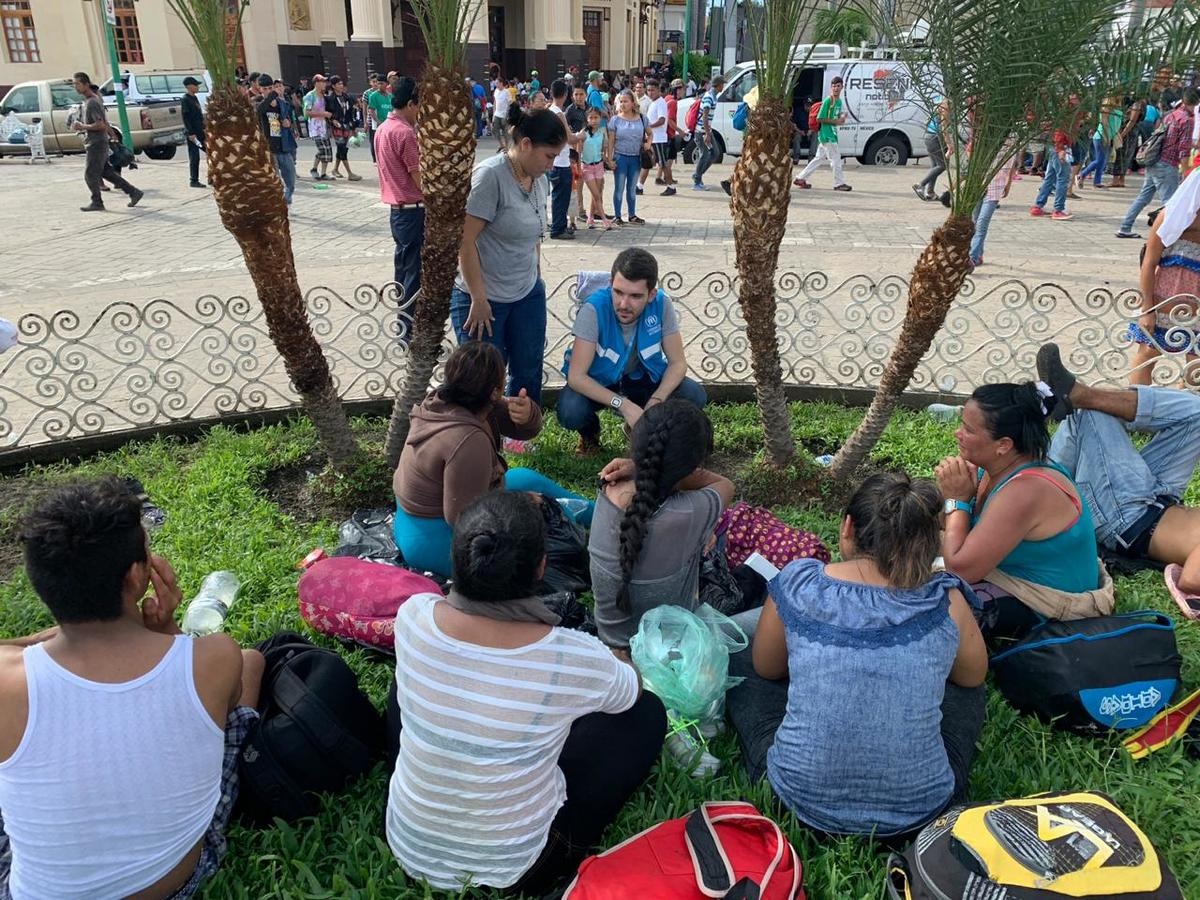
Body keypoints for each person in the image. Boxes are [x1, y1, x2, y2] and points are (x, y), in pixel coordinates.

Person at [386, 491, 665, 894]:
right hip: (516, 869)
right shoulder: (568, 655)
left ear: (456, 557)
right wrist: (618, 659)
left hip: (408, 846)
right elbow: (631, 691)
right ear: (542, 568)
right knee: (647, 714)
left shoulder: (414, 615)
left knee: (409, 683)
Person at [0, 477, 263, 898]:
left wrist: (53, 631)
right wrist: (168, 632)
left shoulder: (6, 679)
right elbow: (224, 708)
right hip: (173, 884)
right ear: (137, 576)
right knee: (251, 663)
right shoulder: (214, 657)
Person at [725, 473, 987, 839]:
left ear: (847, 527)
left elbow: (767, 669)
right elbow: (973, 678)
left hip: (795, 801)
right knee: (968, 690)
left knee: (741, 662)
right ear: (930, 541)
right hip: (923, 811)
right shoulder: (944, 599)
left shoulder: (800, 582)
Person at [392, 342, 589, 576]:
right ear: (494, 390)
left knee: (525, 478)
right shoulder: (465, 440)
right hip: (432, 536)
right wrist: (518, 503)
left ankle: (606, 514)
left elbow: (525, 430)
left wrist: (527, 416)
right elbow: (463, 518)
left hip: (446, 508)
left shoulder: (456, 399)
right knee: (537, 563)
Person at [935, 382, 1108, 638]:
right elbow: (944, 527)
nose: (957, 433)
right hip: (1008, 578)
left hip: (1050, 605)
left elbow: (960, 571)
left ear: (1004, 445)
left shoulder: (1026, 490)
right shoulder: (996, 466)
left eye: (968, 430)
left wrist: (957, 500)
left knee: (935, 610)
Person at [1037, 343, 1200, 611]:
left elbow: (1192, 579)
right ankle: (1076, 395)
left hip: (1130, 519)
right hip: (1164, 496)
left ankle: (1041, 490)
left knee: (1092, 416)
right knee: (1196, 413)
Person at [588, 400, 735, 648]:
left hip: (609, 641)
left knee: (705, 532)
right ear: (693, 467)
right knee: (715, 533)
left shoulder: (608, 489)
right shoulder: (689, 511)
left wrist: (641, 466)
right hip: (670, 649)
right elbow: (726, 485)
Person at [453, 105, 564, 404]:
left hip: (526, 293)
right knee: (482, 377)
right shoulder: (490, 178)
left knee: (528, 368)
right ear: (525, 144)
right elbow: (465, 242)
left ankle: (520, 434)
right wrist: (478, 298)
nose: (552, 165)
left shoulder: (539, 179)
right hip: (484, 300)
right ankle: (484, 439)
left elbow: (535, 232)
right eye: (549, 156)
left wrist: (536, 274)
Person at [559, 248, 708, 453]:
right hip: (601, 383)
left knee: (694, 395)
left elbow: (678, 363)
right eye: (618, 292)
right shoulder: (593, 309)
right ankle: (590, 434)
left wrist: (657, 399)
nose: (623, 304)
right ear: (610, 284)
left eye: (635, 296)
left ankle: (638, 426)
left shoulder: (661, 304)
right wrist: (623, 404)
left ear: (651, 294)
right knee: (570, 411)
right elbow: (576, 377)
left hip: (642, 380)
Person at [1126, 169, 1200, 384]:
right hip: (1164, 301)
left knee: (1195, 365)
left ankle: (1188, 413)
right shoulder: (1170, 217)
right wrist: (1147, 310)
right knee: (1148, 355)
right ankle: (1136, 409)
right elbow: (1148, 264)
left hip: (1196, 308)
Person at [376, 76, 424, 333]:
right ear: (410, 104)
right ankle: (410, 331)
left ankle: (403, 325)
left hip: (398, 213)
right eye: (419, 107)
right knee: (414, 275)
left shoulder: (383, 129)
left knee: (404, 272)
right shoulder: (405, 133)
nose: (419, 113)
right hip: (412, 212)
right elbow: (418, 179)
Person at [1116, 88, 1196, 239]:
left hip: (1154, 160)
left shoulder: (1170, 115)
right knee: (1171, 202)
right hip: (1167, 165)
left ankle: (1125, 227)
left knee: (1143, 197)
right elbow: (1183, 149)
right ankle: (1167, 236)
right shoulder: (1187, 121)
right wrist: (1186, 174)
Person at [72, 72, 143, 212]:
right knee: (106, 172)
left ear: (86, 84)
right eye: (74, 84)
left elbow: (100, 124)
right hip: (95, 141)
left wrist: (82, 126)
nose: (76, 87)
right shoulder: (89, 101)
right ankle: (133, 192)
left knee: (90, 174)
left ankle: (97, 201)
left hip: (96, 143)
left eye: (78, 84)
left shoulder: (93, 102)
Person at [793, 76, 850, 192]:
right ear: (831, 87)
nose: (836, 88)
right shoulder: (828, 101)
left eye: (838, 86)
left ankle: (800, 177)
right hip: (827, 134)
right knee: (836, 159)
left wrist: (842, 117)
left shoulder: (838, 101)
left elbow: (838, 115)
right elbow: (820, 118)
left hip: (831, 134)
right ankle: (839, 183)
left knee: (818, 158)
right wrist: (836, 121)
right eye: (834, 86)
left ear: (842, 87)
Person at [970, 147, 1018, 267]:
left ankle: (973, 257)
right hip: (978, 184)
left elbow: (1013, 163)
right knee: (975, 221)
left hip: (996, 186)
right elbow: (971, 151)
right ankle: (978, 254)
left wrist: (1009, 183)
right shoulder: (985, 135)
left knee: (982, 222)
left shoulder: (1013, 138)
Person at [606, 89, 650, 224]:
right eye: (621, 101)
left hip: (636, 157)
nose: (623, 104)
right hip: (620, 157)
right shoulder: (615, 120)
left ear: (632, 103)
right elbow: (611, 141)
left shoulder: (642, 118)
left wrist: (649, 143)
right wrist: (609, 158)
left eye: (626, 101)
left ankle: (632, 215)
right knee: (619, 187)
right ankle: (617, 215)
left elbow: (650, 133)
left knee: (631, 188)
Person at [255, 74, 298, 205]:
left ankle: (287, 198)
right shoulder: (259, 104)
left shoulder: (282, 104)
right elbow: (259, 110)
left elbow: (289, 117)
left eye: (270, 88)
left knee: (291, 180)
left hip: (284, 146)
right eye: (265, 89)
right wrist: (272, 95)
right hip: (269, 148)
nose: (268, 91)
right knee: (275, 180)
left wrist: (288, 123)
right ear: (260, 89)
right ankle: (278, 204)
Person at [549, 79, 577, 241]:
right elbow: (570, 138)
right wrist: (581, 135)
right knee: (561, 197)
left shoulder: (550, 111)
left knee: (559, 197)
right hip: (561, 163)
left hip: (557, 161)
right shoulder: (559, 113)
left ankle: (560, 225)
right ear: (565, 95)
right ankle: (558, 229)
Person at [1077, 96, 1122, 190]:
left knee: (1103, 161)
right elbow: (1104, 124)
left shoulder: (1118, 109)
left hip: (1110, 137)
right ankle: (1082, 174)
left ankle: (1097, 181)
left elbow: (1116, 125)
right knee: (1100, 160)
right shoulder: (1106, 109)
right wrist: (1106, 137)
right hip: (1102, 136)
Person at [580, 106, 612, 230]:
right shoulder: (583, 133)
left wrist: (608, 160)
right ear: (587, 119)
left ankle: (590, 218)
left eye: (596, 117)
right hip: (587, 167)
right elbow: (578, 151)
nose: (594, 120)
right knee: (596, 194)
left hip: (598, 166)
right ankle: (604, 219)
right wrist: (578, 168)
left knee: (596, 194)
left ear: (600, 118)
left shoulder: (602, 131)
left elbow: (604, 149)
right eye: (591, 118)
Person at [324, 77, 362, 181]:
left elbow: (351, 113)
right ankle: (350, 173)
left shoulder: (347, 97)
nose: (341, 86)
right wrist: (332, 121)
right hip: (336, 127)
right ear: (333, 86)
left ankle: (335, 169)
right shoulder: (330, 99)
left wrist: (353, 128)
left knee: (343, 148)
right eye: (338, 84)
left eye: (341, 84)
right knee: (342, 148)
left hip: (346, 126)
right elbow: (327, 114)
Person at [913, 96, 948, 201]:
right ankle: (921, 184)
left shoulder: (937, 108)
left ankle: (930, 192)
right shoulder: (945, 109)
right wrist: (950, 145)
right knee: (942, 165)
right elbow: (944, 129)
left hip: (929, 136)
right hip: (935, 138)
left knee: (934, 167)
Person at [692, 76, 724, 191]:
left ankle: (698, 174)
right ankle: (697, 180)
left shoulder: (713, 96)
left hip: (706, 130)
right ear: (719, 85)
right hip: (701, 131)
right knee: (705, 154)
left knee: (715, 153)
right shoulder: (709, 97)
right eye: (722, 84)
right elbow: (705, 116)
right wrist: (707, 133)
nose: (723, 87)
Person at [644, 79, 673, 196]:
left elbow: (662, 120)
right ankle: (640, 185)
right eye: (649, 90)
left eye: (653, 90)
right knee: (658, 162)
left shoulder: (660, 102)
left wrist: (648, 126)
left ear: (658, 90)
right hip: (653, 138)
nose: (650, 93)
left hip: (659, 138)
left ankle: (670, 186)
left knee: (663, 163)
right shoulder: (653, 103)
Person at [303, 74, 333, 180]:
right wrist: (323, 114)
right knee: (322, 149)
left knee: (327, 149)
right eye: (322, 82)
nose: (324, 84)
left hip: (323, 126)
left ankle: (323, 173)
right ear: (316, 83)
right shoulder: (309, 96)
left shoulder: (324, 96)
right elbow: (307, 112)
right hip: (315, 127)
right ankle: (314, 169)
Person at [182, 75, 207, 189]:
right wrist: (191, 133)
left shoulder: (195, 98)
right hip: (193, 134)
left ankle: (212, 176)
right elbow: (186, 118)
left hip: (200, 131)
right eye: (195, 85)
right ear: (189, 86)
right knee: (194, 156)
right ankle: (194, 180)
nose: (197, 87)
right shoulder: (185, 100)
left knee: (210, 152)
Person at [364, 73, 392, 162]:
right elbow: (371, 110)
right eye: (378, 83)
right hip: (378, 124)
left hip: (389, 124)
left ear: (387, 84)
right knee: (377, 143)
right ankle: (377, 160)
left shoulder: (390, 96)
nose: (379, 85)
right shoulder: (373, 96)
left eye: (381, 83)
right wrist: (378, 121)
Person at [492, 76, 512, 150]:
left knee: (505, 131)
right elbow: (495, 102)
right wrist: (494, 114)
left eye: (497, 83)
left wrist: (507, 114)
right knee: (494, 130)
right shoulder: (496, 91)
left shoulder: (506, 92)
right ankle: (501, 144)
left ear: (501, 83)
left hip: (504, 114)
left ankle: (507, 146)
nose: (496, 85)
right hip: (497, 113)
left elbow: (510, 103)